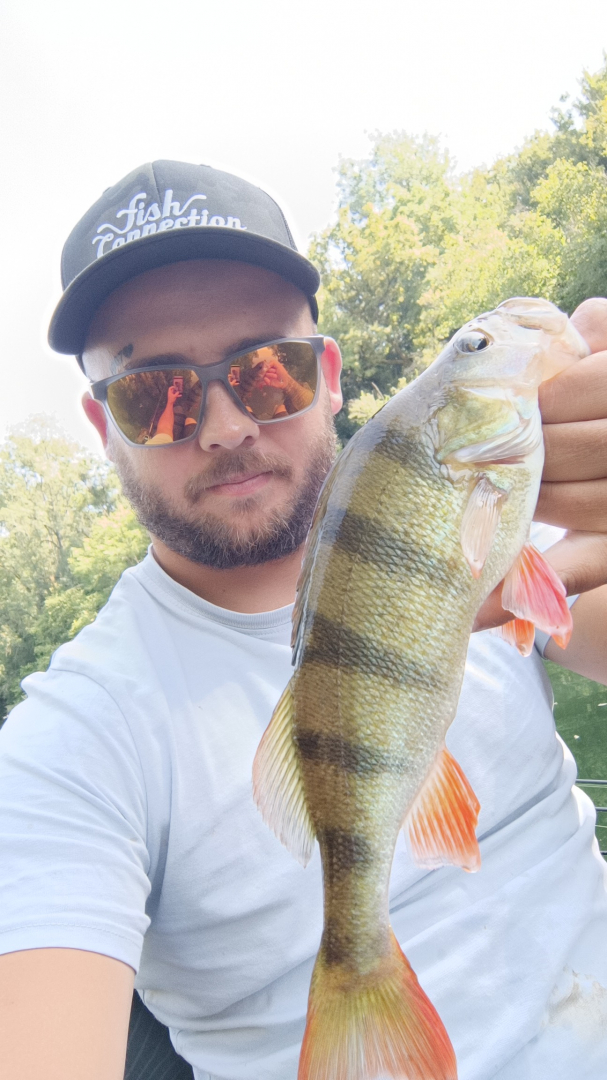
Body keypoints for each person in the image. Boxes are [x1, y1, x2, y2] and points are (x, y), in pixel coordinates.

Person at [0, 159, 606, 1080]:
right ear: (103, 426)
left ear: (325, 376)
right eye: (155, 394)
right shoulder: (74, 740)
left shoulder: (489, 531)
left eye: (266, 371)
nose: (225, 426)